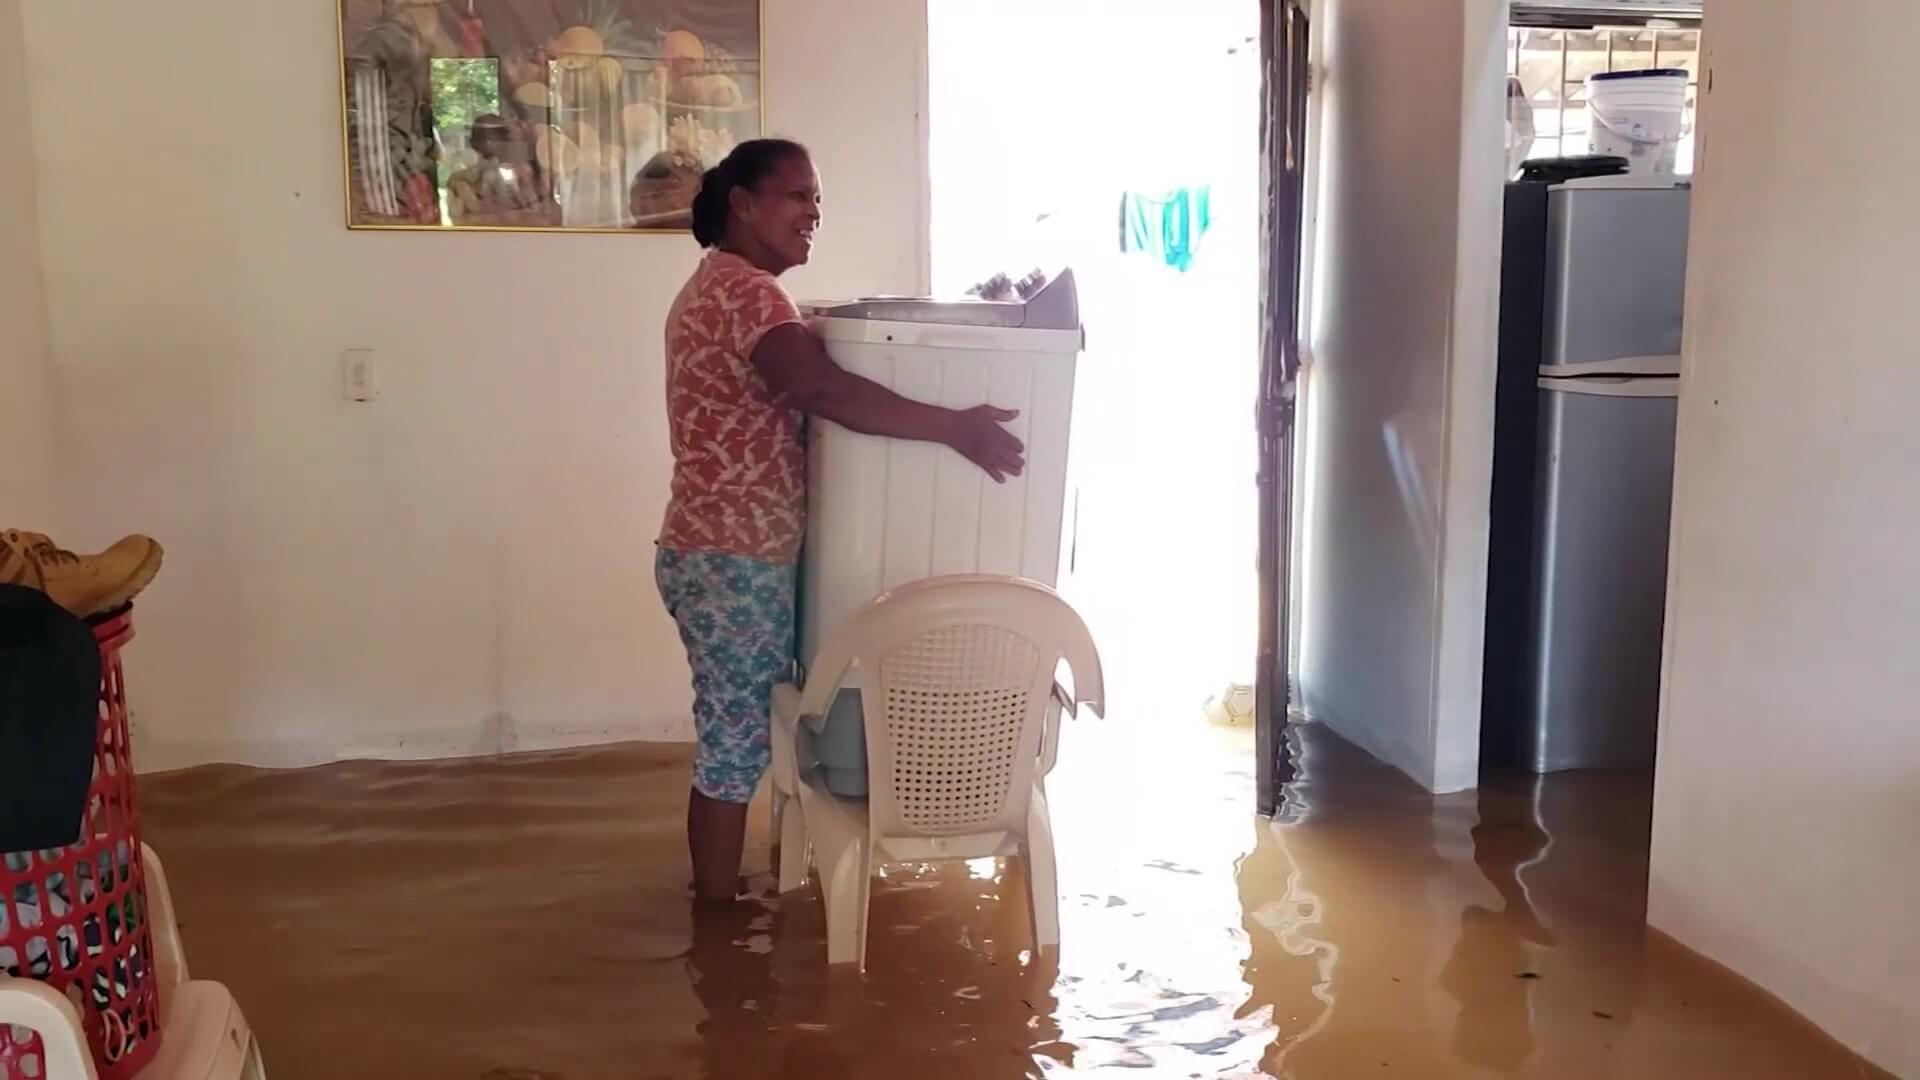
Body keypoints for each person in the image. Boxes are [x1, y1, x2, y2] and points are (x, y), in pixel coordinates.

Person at [659, 139, 1026, 902]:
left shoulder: (718, 285)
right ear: (743, 203)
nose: (813, 213)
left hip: (713, 550)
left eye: (818, 200)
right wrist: (953, 425)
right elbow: (823, 391)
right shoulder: (748, 292)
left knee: (740, 738)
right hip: (733, 558)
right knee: (732, 749)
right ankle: (718, 935)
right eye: (797, 196)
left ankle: (726, 910)